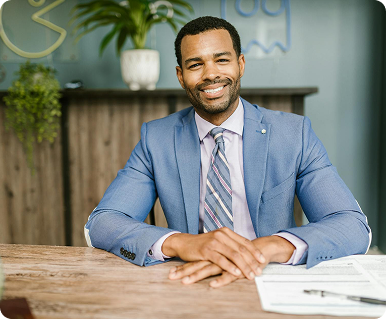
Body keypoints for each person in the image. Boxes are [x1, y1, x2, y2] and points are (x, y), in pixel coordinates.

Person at [84, 16, 371, 288]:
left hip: (271, 277)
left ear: (241, 64)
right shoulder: (156, 139)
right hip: (188, 278)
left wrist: (266, 247)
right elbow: (102, 223)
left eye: (222, 60)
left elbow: (353, 226)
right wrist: (185, 243)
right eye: (195, 64)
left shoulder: (294, 134)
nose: (211, 74)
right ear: (181, 76)